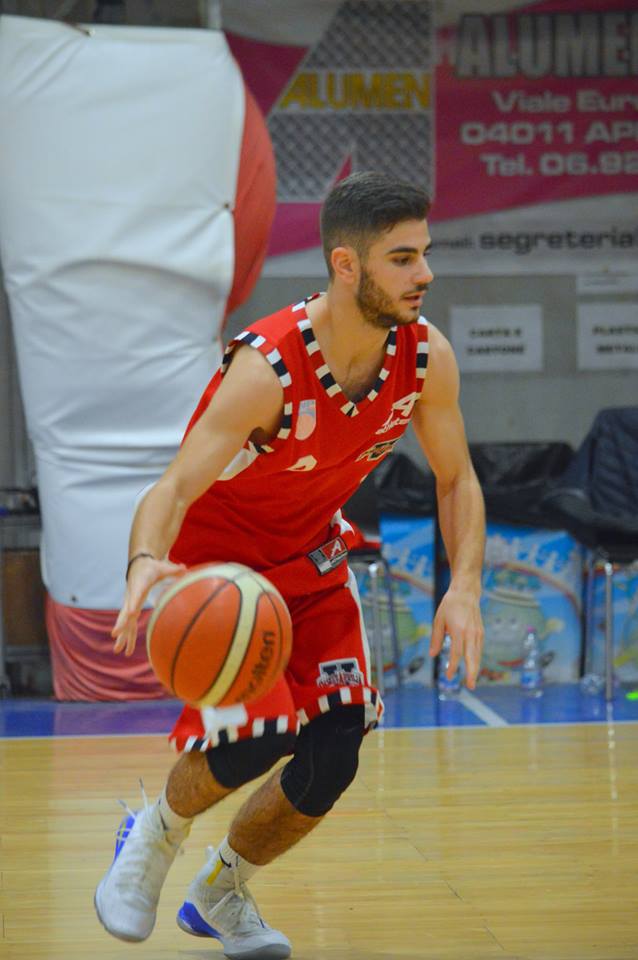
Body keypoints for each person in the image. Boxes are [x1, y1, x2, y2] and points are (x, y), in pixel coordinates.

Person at [94, 170, 485, 960]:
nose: (425, 274)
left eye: (425, 253)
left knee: (336, 750)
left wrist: (466, 587)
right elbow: (173, 487)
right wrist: (143, 561)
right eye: (403, 258)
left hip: (309, 559)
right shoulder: (268, 367)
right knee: (255, 738)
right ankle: (154, 834)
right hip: (224, 575)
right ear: (347, 265)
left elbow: (458, 479)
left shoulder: (425, 358)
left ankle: (222, 890)